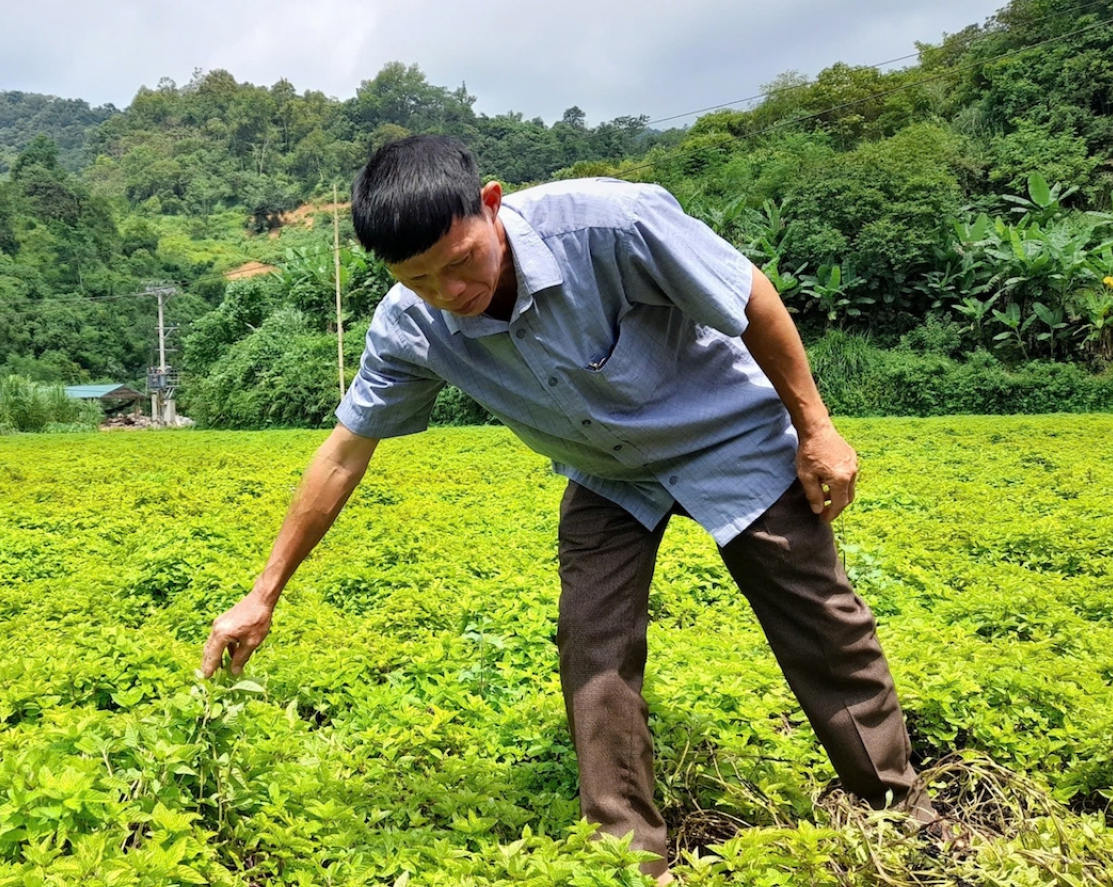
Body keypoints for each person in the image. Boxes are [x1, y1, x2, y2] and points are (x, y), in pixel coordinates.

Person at [199, 134, 941, 883]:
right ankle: (627, 857)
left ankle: (899, 811)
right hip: (608, 473)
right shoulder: (409, 324)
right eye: (421, 279)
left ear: (491, 204)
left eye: (462, 262)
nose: (452, 291)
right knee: (593, 642)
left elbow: (748, 294)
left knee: (820, 621)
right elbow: (343, 454)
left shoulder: (608, 222)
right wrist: (263, 594)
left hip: (727, 437)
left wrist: (816, 427)